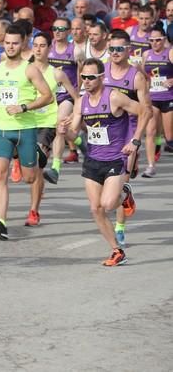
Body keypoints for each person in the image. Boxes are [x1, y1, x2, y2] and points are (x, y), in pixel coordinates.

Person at [59, 58, 146, 266]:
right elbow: (74, 133)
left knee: (107, 204)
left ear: (101, 77)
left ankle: (124, 192)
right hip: (93, 159)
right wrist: (64, 133)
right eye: (83, 77)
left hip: (116, 157)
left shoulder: (115, 97)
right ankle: (117, 250)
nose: (86, 81)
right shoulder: (81, 103)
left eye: (91, 77)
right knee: (95, 208)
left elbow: (145, 111)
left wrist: (135, 140)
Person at [0, 25, 53, 240]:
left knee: (30, 178)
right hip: (1, 128)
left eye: (15, 43)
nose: (10, 47)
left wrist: (24, 107)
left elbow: (48, 96)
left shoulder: (30, 69)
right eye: (7, 43)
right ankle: (1, 222)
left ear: (23, 44)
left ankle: (31, 157)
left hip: (25, 128)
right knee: (0, 174)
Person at [103, 30, 152, 248]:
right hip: (103, 135)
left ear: (128, 50)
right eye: (111, 48)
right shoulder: (100, 70)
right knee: (104, 187)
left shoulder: (136, 76)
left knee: (121, 181)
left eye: (119, 49)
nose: (115, 53)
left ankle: (120, 227)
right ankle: (125, 194)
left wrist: (137, 139)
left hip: (127, 135)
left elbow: (147, 110)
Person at [27, 32, 77, 226]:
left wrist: (72, 116)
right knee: (28, 173)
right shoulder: (25, 70)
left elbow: (76, 97)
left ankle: (33, 211)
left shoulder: (57, 73)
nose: (38, 49)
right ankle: (78, 141)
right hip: (24, 122)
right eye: (36, 45)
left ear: (49, 48)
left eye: (42, 45)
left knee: (37, 168)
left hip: (47, 124)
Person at [43, 18, 81, 184]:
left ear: (69, 31)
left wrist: (79, 99)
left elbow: (82, 76)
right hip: (48, 96)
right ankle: (80, 142)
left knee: (60, 126)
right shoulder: (46, 47)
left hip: (67, 96)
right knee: (55, 130)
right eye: (54, 28)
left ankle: (55, 169)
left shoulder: (76, 51)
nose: (57, 32)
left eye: (61, 29)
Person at [141, 26, 173, 177]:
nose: (155, 43)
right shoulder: (146, 54)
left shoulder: (170, 52)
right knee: (150, 132)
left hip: (168, 98)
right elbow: (142, 76)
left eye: (158, 40)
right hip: (152, 98)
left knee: (169, 136)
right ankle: (150, 166)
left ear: (164, 39)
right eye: (151, 40)